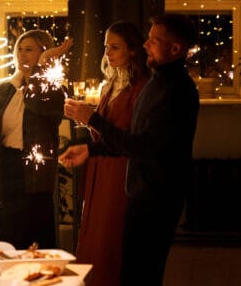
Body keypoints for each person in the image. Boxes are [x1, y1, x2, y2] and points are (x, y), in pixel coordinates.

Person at [61, 14, 199, 285]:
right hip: (141, 193)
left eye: (155, 41)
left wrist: (92, 120)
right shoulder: (158, 83)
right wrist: (91, 150)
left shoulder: (176, 92)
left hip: (156, 198)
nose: (147, 45)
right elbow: (134, 140)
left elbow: (142, 148)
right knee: (132, 272)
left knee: (140, 274)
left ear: (175, 49)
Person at [59, 21, 150, 286]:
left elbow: (127, 138)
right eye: (106, 47)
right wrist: (86, 120)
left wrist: (91, 118)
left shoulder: (140, 88)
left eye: (115, 47)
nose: (108, 53)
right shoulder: (110, 85)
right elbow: (102, 133)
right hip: (99, 169)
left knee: (110, 237)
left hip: (120, 172)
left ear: (133, 50)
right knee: (93, 234)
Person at [0, 30, 72, 250]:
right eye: (19, 50)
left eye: (29, 50)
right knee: (4, 238)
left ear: (44, 53)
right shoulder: (6, 89)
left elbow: (36, 103)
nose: (22, 55)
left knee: (33, 238)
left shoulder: (53, 89)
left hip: (35, 172)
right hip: (6, 169)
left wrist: (41, 67)